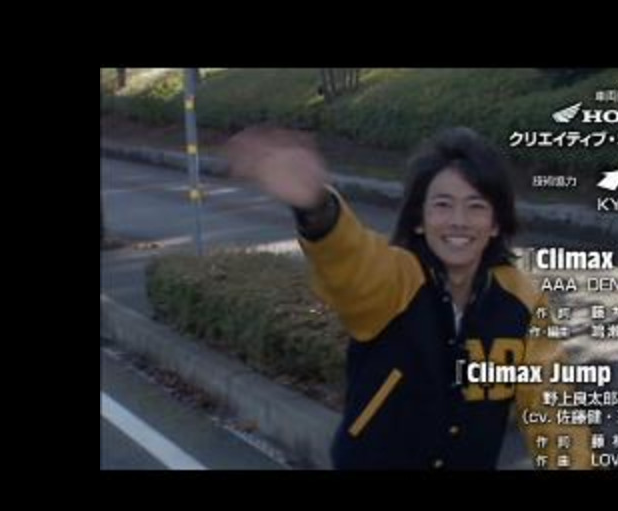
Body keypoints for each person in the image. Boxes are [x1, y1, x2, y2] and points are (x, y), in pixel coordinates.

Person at [225, 126, 590, 470]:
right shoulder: (396, 279)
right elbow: (350, 257)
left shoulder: (522, 302)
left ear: (495, 223)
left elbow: (555, 413)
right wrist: (317, 208)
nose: (459, 220)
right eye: (442, 205)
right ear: (419, 219)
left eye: (476, 206)